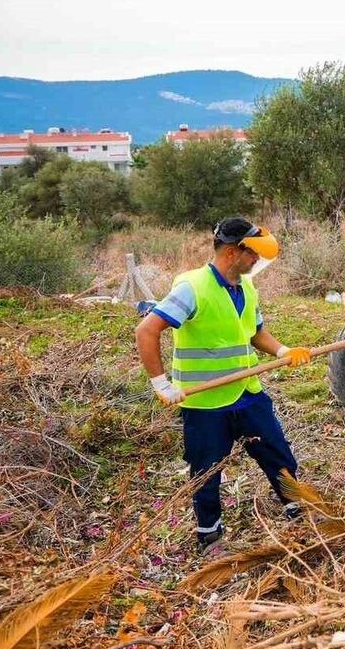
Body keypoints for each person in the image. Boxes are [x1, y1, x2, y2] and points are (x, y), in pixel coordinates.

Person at [134, 217, 312, 556]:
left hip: (246, 391)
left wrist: (283, 350)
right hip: (205, 402)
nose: (257, 261)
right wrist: (161, 383)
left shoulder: (246, 287)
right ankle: (210, 536)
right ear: (232, 252)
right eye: (253, 254)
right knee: (207, 470)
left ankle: (297, 507)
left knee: (276, 450)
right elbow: (146, 331)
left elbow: (255, 332)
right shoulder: (192, 288)